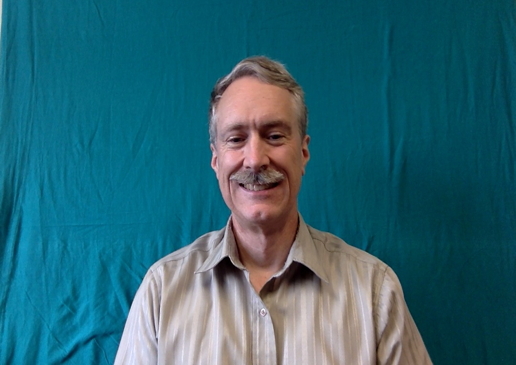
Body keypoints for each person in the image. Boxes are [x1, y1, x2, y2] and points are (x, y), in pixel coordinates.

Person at [114, 56, 432, 364]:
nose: (255, 159)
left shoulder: (375, 291)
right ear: (215, 159)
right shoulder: (161, 292)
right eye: (236, 139)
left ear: (304, 151)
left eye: (274, 136)